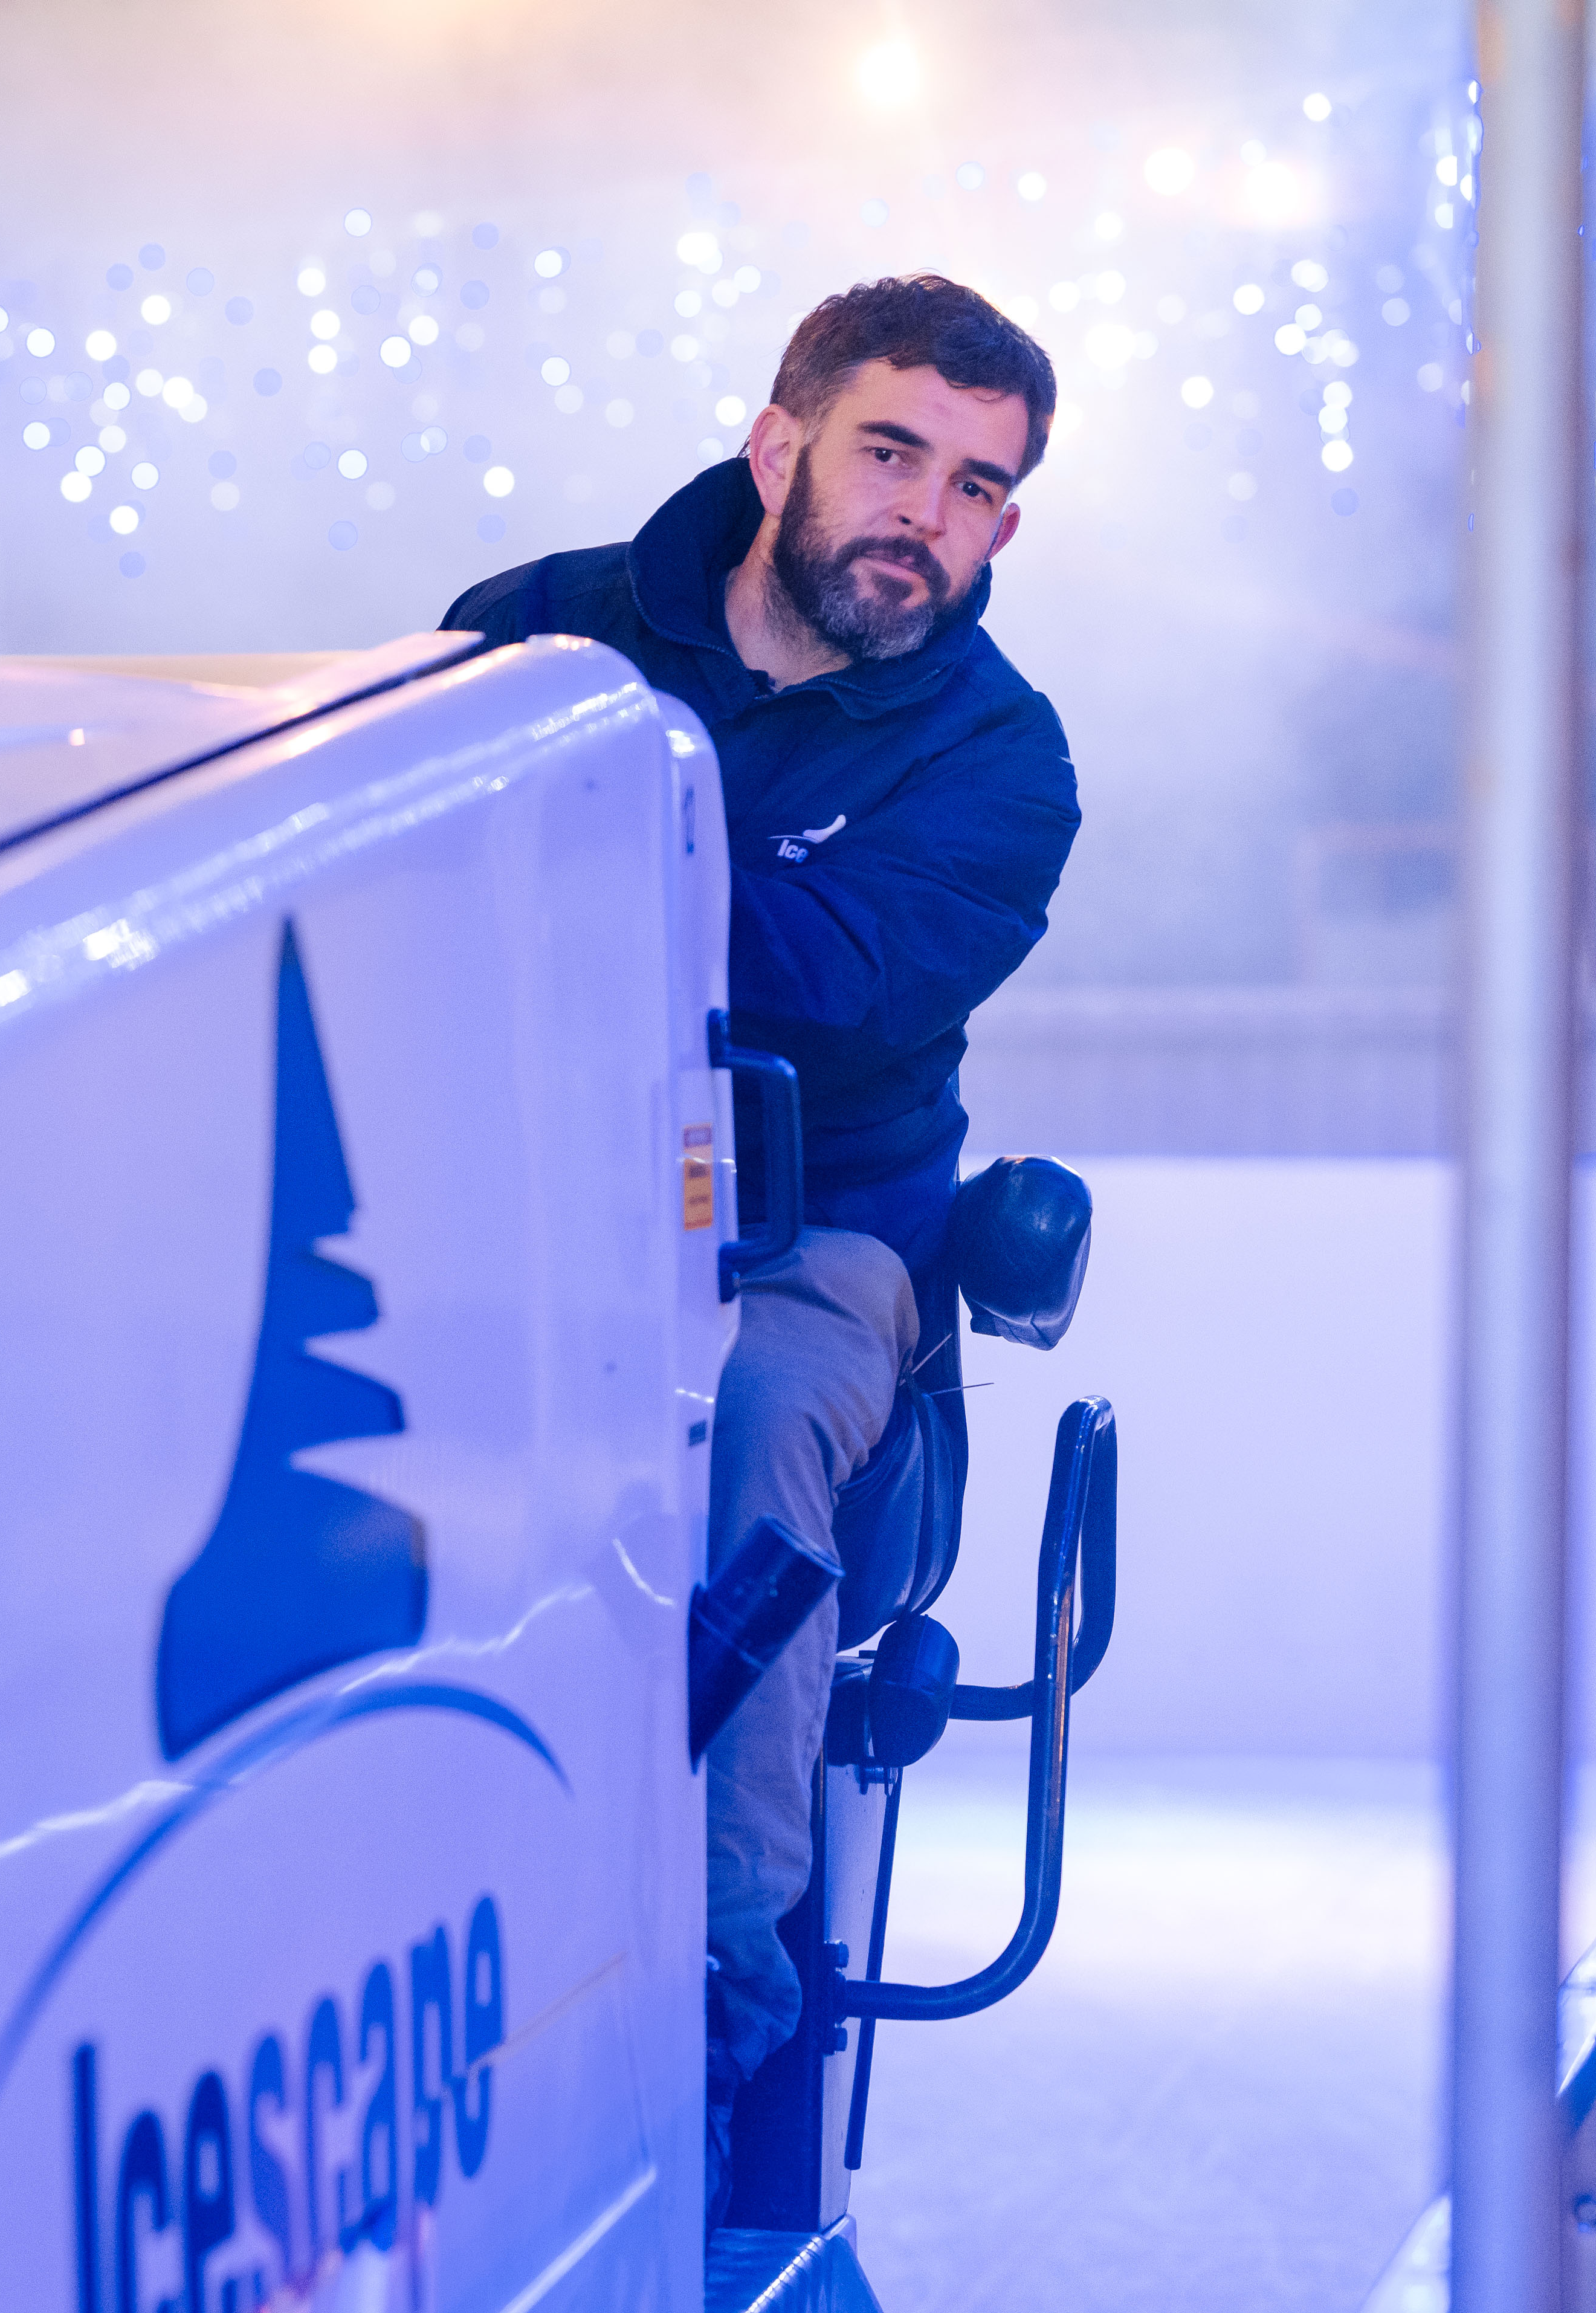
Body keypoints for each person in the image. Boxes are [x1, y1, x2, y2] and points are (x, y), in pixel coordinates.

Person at [440, 274, 1081, 2201]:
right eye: (893, 453)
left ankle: (712, 2011)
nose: (927, 515)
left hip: (800, 1243)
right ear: (779, 443)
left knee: (750, 1436)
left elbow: (817, 987)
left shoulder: (996, 764)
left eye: (978, 487)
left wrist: (553, 865)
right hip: (488, 1193)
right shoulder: (531, 633)